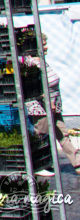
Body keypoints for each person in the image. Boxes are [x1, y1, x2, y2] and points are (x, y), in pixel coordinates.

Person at [24, 40, 80, 175]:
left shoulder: (41, 60)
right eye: (43, 44)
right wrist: (49, 102)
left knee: (62, 133)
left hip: (54, 103)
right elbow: (38, 85)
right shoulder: (31, 62)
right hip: (42, 105)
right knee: (41, 134)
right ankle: (38, 165)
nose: (46, 46)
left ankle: (77, 163)